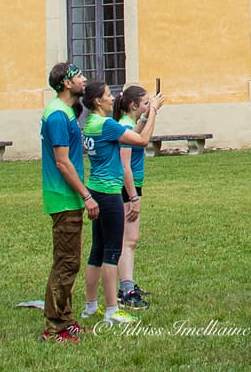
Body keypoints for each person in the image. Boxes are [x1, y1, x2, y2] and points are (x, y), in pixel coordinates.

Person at [81, 78, 163, 323]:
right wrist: (154, 112)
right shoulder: (107, 125)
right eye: (107, 94)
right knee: (111, 252)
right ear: (97, 101)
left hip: (95, 189)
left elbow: (129, 134)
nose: (112, 97)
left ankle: (90, 306)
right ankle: (110, 310)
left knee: (96, 251)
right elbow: (141, 141)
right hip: (110, 193)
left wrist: (143, 118)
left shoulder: (91, 124)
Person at [40, 62, 99, 344]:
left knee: (70, 261)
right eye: (78, 76)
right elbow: (62, 163)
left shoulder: (64, 113)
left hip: (69, 197)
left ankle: (65, 319)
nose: (84, 79)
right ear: (66, 83)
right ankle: (54, 328)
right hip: (63, 198)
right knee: (65, 262)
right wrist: (86, 195)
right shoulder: (57, 116)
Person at [113, 84, 161, 309]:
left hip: (133, 188)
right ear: (133, 105)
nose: (147, 106)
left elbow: (139, 132)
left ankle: (128, 285)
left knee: (131, 240)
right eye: (144, 103)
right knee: (128, 242)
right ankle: (126, 290)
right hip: (128, 190)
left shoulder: (128, 124)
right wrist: (133, 197)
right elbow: (124, 166)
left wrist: (148, 114)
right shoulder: (123, 125)